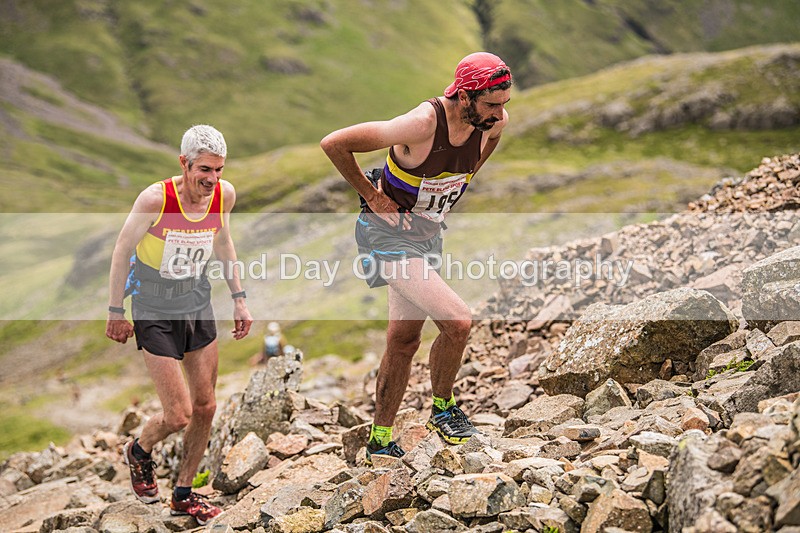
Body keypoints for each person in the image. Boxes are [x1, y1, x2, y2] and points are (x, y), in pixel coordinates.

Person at [321, 52, 512, 464]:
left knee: (403, 340)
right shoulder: (422, 124)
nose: (499, 114)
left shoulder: (493, 127)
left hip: (426, 237)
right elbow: (334, 143)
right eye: (491, 105)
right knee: (458, 321)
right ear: (464, 96)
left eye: (504, 104)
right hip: (385, 236)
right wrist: (373, 197)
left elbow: (467, 170)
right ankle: (443, 410)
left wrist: (441, 203)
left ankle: (380, 439)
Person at [106, 125, 253, 524]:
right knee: (178, 415)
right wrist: (116, 311)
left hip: (197, 299)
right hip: (153, 305)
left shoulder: (224, 194)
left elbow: (223, 242)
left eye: (219, 170)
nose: (212, 179)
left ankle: (184, 494)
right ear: (184, 163)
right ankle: (139, 450)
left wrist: (239, 299)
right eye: (204, 169)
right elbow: (121, 251)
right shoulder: (156, 199)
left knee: (206, 406)